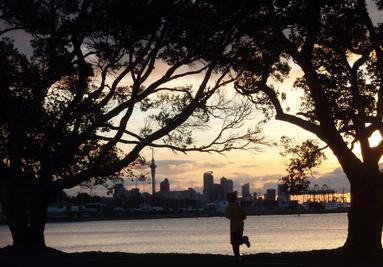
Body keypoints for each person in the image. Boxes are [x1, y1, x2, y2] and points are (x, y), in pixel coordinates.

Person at [224, 191, 250, 257]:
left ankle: (237, 255)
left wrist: (232, 216)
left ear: (229, 199)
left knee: (234, 243)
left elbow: (227, 215)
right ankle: (238, 255)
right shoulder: (238, 207)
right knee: (237, 241)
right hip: (240, 226)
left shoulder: (229, 207)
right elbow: (244, 216)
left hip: (233, 227)